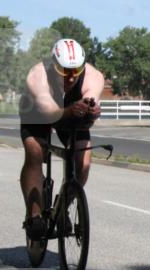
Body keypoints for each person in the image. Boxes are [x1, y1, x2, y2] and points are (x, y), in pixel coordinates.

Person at [18, 39, 104, 239]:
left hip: (72, 111)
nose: (72, 77)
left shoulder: (93, 76)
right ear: (53, 64)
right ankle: (35, 216)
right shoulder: (38, 75)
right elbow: (50, 113)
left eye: (76, 70)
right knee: (35, 151)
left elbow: (91, 100)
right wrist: (71, 111)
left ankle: (63, 206)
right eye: (64, 70)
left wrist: (90, 110)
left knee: (83, 161)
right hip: (38, 113)